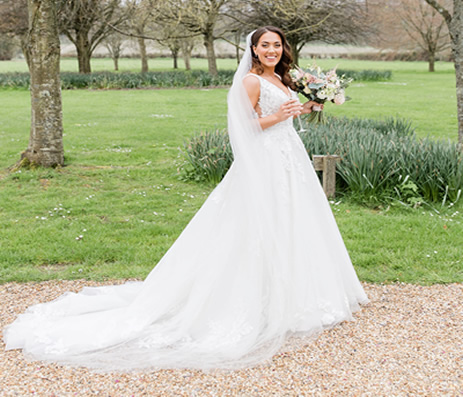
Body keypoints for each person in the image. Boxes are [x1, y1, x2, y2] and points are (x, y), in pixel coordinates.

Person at [3, 27, 368, 371]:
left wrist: (305, 107)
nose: (272, 50)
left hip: (290, 158)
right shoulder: (251, 80)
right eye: (265, 45)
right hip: (266, 163)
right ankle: (251, 301)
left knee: (293, 221)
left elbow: (283, 116)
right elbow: (243, 128)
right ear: (253, 50)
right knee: (257, 225)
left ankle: (297, 296)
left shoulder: (283, 79)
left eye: (277, 45)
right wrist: (276, 116)